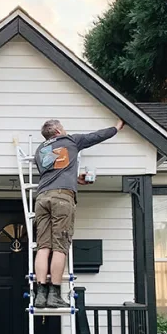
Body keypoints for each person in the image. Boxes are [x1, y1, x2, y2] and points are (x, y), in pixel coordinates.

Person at [33, 118, 125, 308]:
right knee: (60, 246)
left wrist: (74, 179)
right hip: (62, 198)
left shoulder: (40, 150)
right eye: (63, 128)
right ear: (58, 131)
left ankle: (40, 295)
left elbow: (55, 170)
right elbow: (97, 136)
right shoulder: (71, 141)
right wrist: (116, 127)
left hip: (42, 197)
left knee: (43, 246)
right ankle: (55, 295)